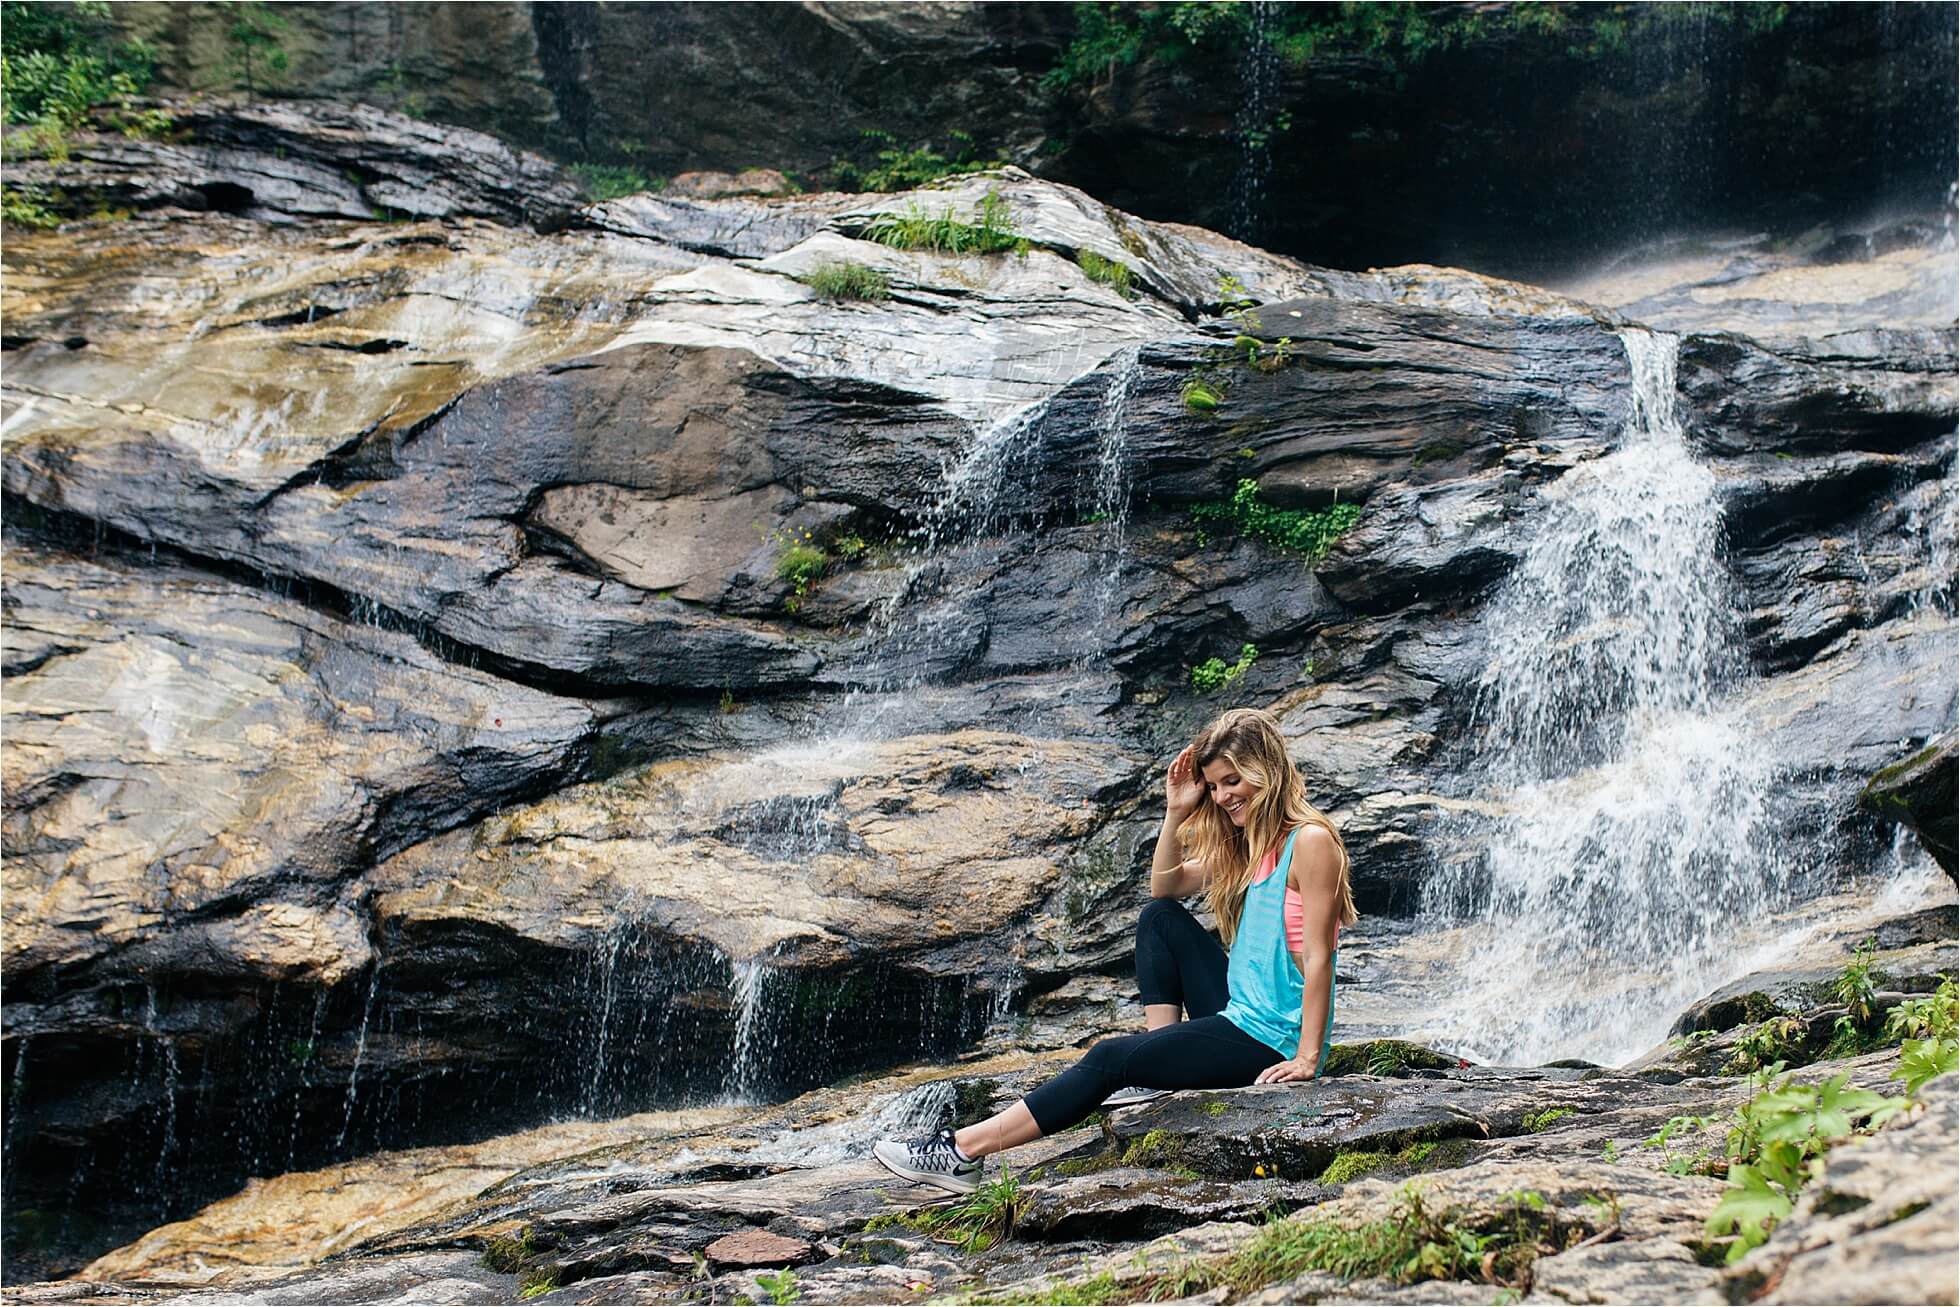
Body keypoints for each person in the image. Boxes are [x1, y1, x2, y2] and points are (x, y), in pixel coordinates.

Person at [873, 707, 1359, 1193]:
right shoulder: (1253, 845)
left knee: (1106, 1057)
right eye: (1214, 786)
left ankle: (960, 1152)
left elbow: (1320, 958)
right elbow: (1163, 886)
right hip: (1240, 1013)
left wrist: (1306, 1058)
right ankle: (1156, 1074)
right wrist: (1175, 811)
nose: (1223, 796)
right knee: (1159, 918)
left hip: (1268, 1040)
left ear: (1265, 772)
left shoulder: (1311, 842)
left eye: (1232, 781)